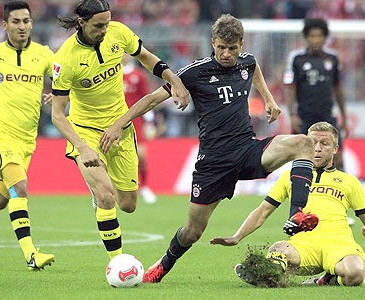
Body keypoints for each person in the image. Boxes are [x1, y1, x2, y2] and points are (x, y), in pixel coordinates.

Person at [100, 14, 319, 283]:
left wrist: (269, 99)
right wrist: (119, 124)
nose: (227, 54)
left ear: (241, 44)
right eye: (221, 48)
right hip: (213, 162)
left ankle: (297, 213)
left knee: (304, 143)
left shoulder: (246, 62)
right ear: (212, 42)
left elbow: (254, 67)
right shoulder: (194, 72)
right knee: (192, 232)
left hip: (247, 149)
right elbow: (151, 100)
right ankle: (164, 264)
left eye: (233, 48)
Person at [51, 0, 189, 260]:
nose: (105, 29)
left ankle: (101, 197)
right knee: (105, 196)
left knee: (128, 205)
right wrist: (81, 146)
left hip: (121, 127)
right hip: (86, 132)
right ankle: (117, 262)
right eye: (99, 25)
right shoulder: (65, 58)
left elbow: (146, 58)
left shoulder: (118, 32)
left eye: (107, 23)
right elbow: (57, 115)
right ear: (81, 23)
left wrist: (174, 79)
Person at [211, 121, 365, 287]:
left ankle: (325, 280)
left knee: (356, 274)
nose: (317, 148)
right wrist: (237, 237)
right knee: (278, 250)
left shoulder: (349, 182)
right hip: (303, 246)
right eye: (313, 143)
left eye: (324, 144)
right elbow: (263, 211)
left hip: (339, 244)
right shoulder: (290, 176)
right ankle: (267, 275)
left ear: (335, 149)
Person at [0, 1, 55, 270]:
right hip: (0, 135)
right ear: (5, 24)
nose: (22, 26)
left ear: (32, 23)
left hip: (27, 140)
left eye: (26, 21)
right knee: (20, 188)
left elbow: (68, 78)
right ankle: (31, 254)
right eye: (16, 22)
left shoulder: (43, 55)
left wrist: (60, 94)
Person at [284, 18, 347, 170]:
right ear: (306, 37)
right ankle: (300, 191)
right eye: (312, 36)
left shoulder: (332, 58)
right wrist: (292, 114)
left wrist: (343, 115)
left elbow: (337, 88)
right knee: (301, 158)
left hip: (327, 115)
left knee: (337, 157)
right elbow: (290, 87)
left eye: (319, 36)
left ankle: (342, 191)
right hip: (304, 117)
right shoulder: (296, 58)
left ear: (325, 37)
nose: (316, 40)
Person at [122, 54, 156, 204]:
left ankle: (145, 187)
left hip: (135, 121)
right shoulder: (111, 74)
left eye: (126, 52)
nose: (123, 55)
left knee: (141, 156)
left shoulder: (139, 75)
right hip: (114, 121)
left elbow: (146, 98)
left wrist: (150, 122)